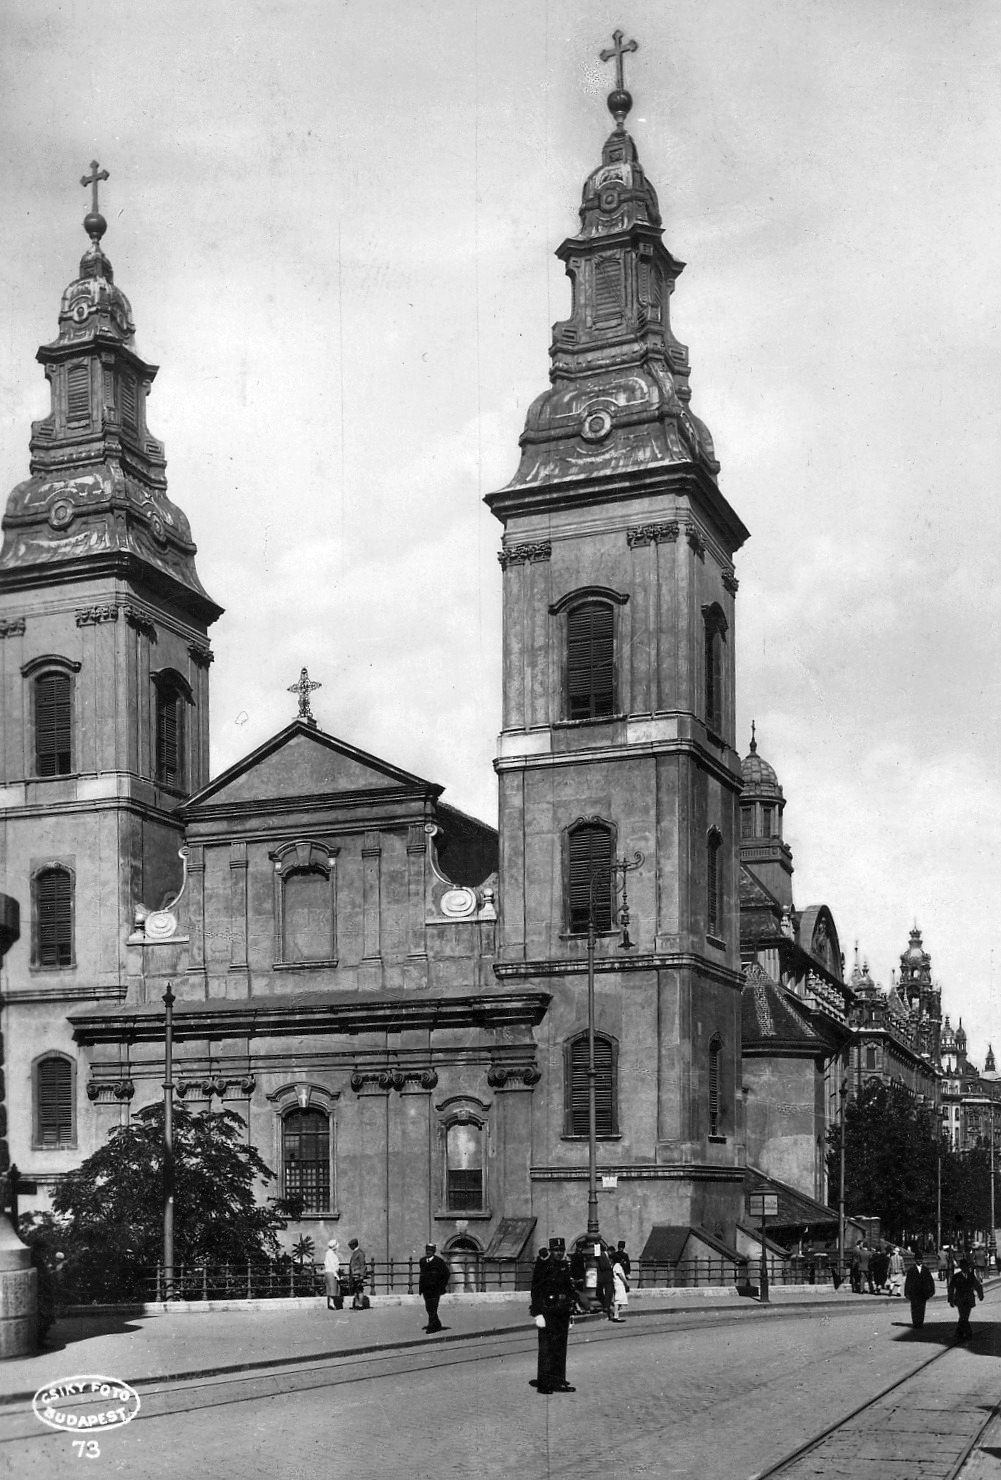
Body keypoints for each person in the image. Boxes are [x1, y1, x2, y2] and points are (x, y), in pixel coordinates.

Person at [529, 1236, 576, 1395]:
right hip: (547, 1312)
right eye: (556, 1250)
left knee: (560, 1349)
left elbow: (569, 1290)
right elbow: (536, 1290)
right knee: (547, 1349)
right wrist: (537, 1313)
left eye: (561, 1250)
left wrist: (571, 1314)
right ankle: (544, 1383)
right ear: (550, 1251)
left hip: (562, 1312)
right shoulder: (543, 1266)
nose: (559, 1253)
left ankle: (558, 1381)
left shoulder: (564, 1265)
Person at [948, 1255, 984, 1342]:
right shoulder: (956, 1276)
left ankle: (959, 1332)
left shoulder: (971, 1276)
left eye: (967, 1266)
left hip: (968, 1299)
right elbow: (951, 1288)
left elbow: (977, 1286)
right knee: (963, 1316)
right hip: (960, 1299)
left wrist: (980, 1295)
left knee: (964, 1316)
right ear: (961, 1267)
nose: (966, 1268)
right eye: (964, 1266)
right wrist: (951, 1299)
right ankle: (967, 1333)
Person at [418, 1242, 451, 1334]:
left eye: (430, 1251)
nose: (428, 1252)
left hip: (435, 1289)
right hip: (426, 1289)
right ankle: (437, 1324)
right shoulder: (422, 1261)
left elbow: (446, 1274)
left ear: (434, 1251)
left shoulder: (439, 1261)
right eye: (427, 1250)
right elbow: (422, 1275)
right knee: (428, 1307)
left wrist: (442, 1286)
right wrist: (420, 1288)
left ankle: (432, 1327)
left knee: (433, 1307)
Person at [903, 1249, 936, 1329]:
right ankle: (915, 1323)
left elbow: (930, 1281)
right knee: (914, 1308)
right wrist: (907, 1292)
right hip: (914, 1293)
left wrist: (932, 1290)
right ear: (915, 1260)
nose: (919, 1261)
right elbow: (908, 1282)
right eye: (918, 1259)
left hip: (923, 1293)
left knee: (922, 1308)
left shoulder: (925, 1269)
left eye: (921, 1259)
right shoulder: (911, 1270)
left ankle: (920, 1322)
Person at [347, 1237, 368, 1310]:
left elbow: (362, 1264)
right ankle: (356, 1304)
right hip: (354, 1274)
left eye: (351, 1246)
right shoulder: (356, 1252)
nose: (350, 1247)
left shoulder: (360, 1253)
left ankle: (360, 1304)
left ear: (354, 1245)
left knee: (359, 1289)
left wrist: (362, 1275)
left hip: (358, 1274)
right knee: (355, 1289)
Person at [323, 1239, 343, 1311]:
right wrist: (336, 1275)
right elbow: (332, 1265)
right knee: (333, 1287)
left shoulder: (328, 1253)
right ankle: (332, 1303)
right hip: (332, 1272)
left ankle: (331, 1302)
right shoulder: (331, 1254)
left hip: (328, 1272)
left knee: (330, 1288)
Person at [611, 1255, 628, 1322]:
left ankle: (616, 1315)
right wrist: (626, 1282)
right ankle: (616, 1316)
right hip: (619, 1285)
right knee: (618, 1300)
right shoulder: (617, 1266)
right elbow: (620, 1275)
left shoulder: (615, 1266)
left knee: (619, 1300)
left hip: (618, 1285)